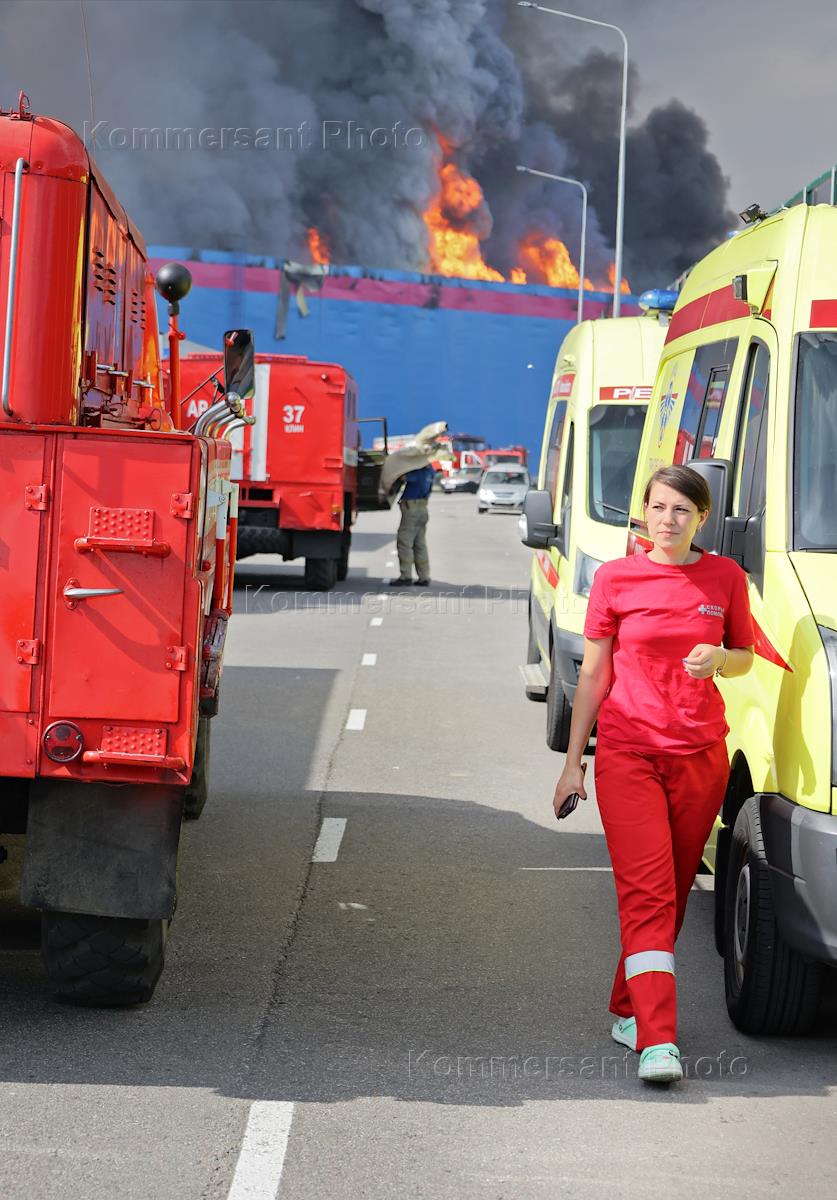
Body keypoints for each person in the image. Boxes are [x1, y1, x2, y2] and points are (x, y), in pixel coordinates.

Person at [551, 465, 754, 1084]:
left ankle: (627, 1008)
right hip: (628, 754)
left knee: (671, 892)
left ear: (701, 517)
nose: (668, 520)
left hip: (700, 756)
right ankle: (658, 1039)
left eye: (682, 510)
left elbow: (746, 656)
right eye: (659, 507)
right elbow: (593, 674)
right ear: (643, 510)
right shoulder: (615, 579)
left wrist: (720, 659)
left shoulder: (725, 577)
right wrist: (573, 765)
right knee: (648, 894)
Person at [390, 463, 436, 586]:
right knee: (420, 545)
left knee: (404, 543)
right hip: (423, 508)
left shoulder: (417, 472)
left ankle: (406, 576)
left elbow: (402, 477)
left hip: (412, 510)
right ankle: (424, 577)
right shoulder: (430, 471)